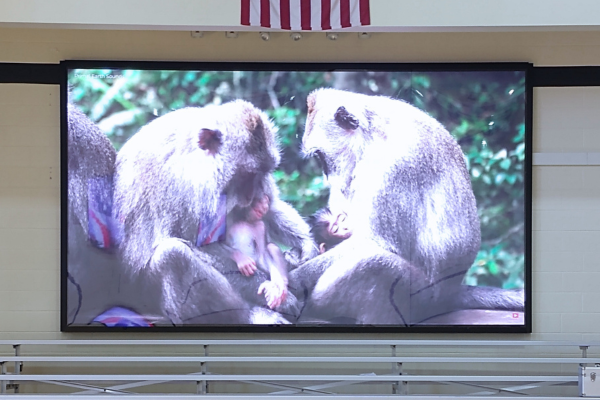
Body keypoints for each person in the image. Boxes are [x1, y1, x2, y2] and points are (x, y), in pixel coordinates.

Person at [226, 194, 289, 309]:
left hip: (256, 269)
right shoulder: (232, 223)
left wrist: (276, 277)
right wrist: (237, 256)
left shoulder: (260, 226)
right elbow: (219, 248)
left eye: (267, 203)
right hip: (236, 273)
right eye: (260, 201)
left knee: (272, 248)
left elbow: (262, 256)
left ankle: (281, 285)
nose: (264, 207)